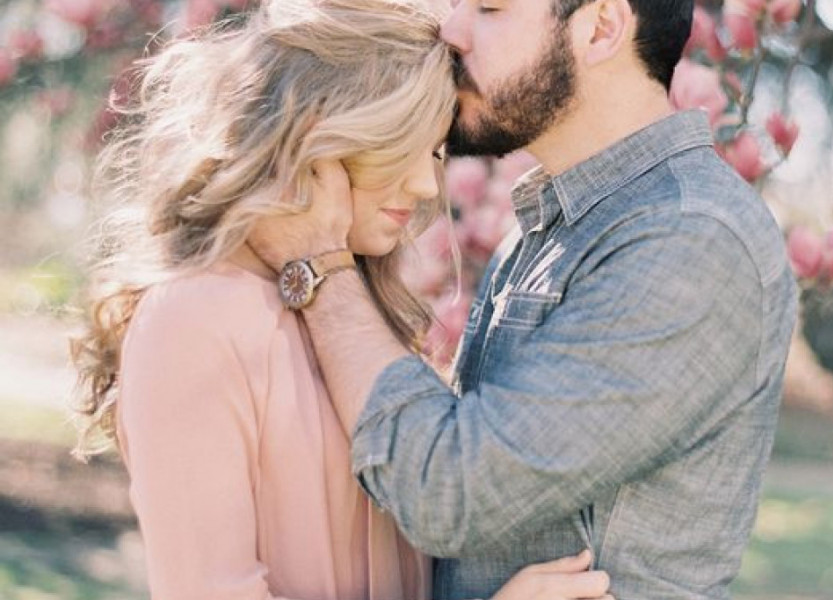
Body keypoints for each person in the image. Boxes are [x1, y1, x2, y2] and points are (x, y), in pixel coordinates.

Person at [248, 0, 800, 598]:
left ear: (601, 28)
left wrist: (320, 264)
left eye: (489, 7)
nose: (451, 29)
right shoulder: (557, 225)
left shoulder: (689, 237)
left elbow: (448, 492)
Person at [69, 0, 615, 598]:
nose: (424, 185)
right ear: (317, 136)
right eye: (398, 145)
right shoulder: (191, 319)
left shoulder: (352, 304)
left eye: (434, 151)